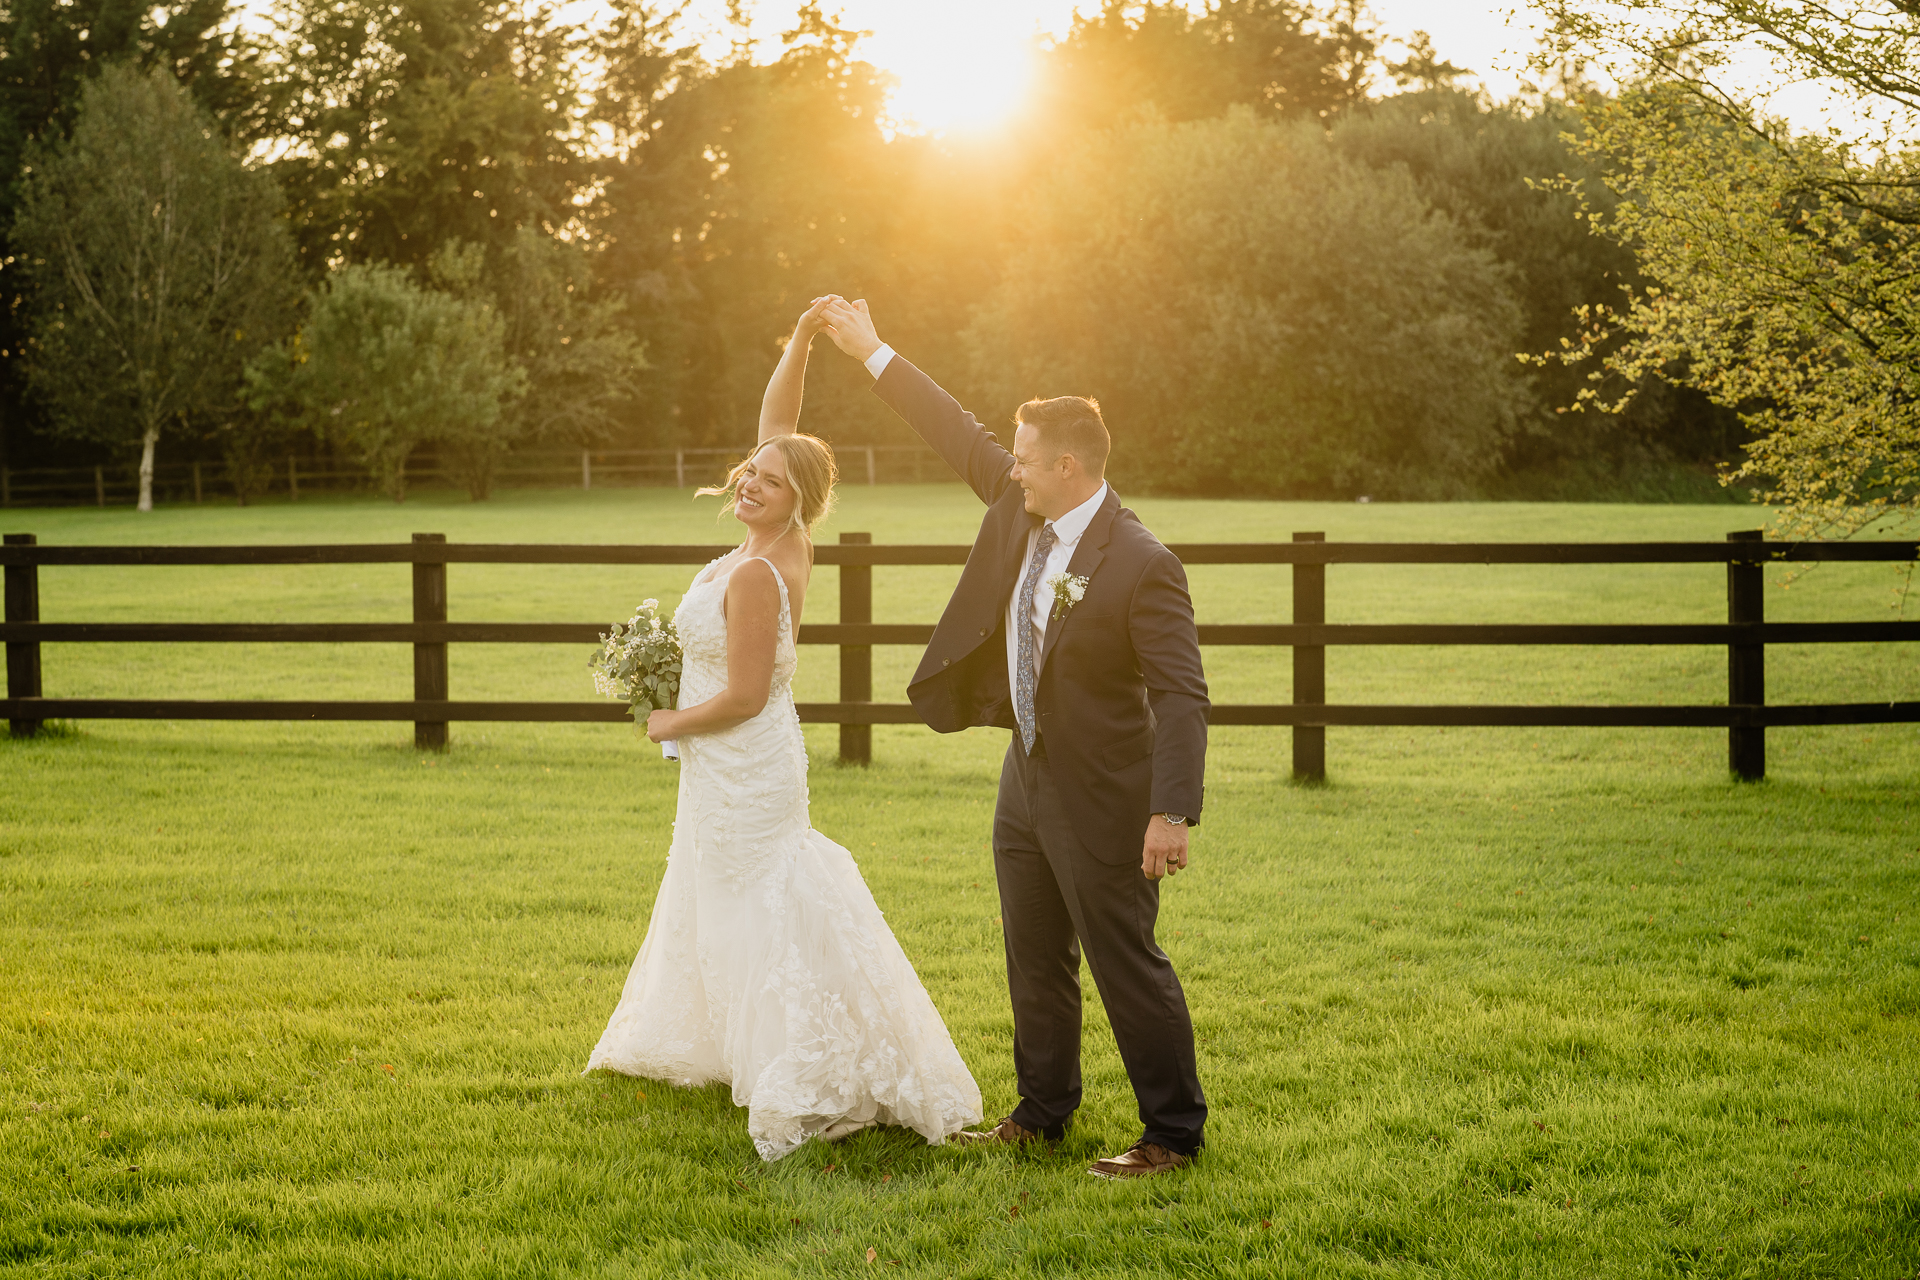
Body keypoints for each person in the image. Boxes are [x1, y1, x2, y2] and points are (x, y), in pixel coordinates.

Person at [817, 296, 1211, 1180]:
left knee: (1124, 963)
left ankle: (1174, 1135)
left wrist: (1171, 813)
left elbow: (1183, 695)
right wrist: (874, 350)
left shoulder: (1143, 562)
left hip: (1108, 794)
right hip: (1024, 778)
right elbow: (953, 428)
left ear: (1068, 466)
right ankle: (1042, 1114)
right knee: (1033, 955)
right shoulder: (1019, 502)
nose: (1013, 470)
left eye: (1027, 459)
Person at [584, 298, 982, 1161]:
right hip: (721, 763)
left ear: (795, 502)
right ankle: (729, 1044)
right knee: (718, 893)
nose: (749, 481)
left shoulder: (765, 571)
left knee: (761, 899)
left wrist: (666, 720)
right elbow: (780, 427)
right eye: (747, 471)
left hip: (744, 753)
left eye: (766, 480)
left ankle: (799, 1064)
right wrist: (802, 340)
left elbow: (748, 695)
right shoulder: (776, 526)